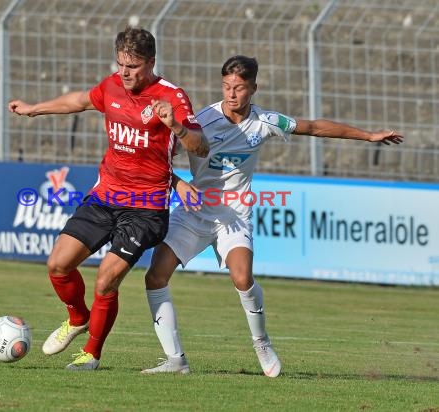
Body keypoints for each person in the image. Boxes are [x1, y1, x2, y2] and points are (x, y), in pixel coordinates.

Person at [142, 55, 403, 377]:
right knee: (155, 276)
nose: (231, 93)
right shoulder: (201, 121)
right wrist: (179, 183)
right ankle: (176, 361)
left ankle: (261, 341)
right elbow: (153, 157)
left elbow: (314, 127)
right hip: (195, 212)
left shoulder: (266, 121)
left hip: (235, 213)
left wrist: (369, 135)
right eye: (226, 86)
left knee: (241, 278)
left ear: (253, 87)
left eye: (238, 87)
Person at [8, 26, 209, 370]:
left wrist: (175, 125)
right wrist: (34, 109)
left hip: (146, 209)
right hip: (105, 195)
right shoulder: (112, 85)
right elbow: (81, 101)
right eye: (120, 64)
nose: (125, 73)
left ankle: (91, 354)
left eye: (133, 66)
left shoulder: (171, 96)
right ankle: (77, 317)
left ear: (151, 62)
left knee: (106, 278)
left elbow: (200, 145)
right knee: (58, 265)